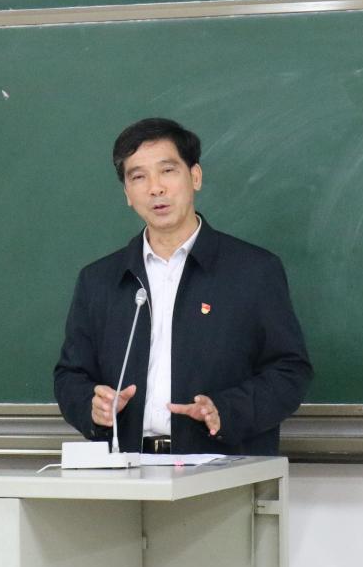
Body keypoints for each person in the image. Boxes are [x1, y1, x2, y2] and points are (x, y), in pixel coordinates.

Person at [54, 118, 312, 455]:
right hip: (126, 467)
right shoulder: (99, 280)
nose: (155, 188)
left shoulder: (253, 270)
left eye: (167, 171)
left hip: (222, 466)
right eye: (138, 177)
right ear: (127, 194)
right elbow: (70, 376)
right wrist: (92, 407)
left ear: (195, 177)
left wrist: (226, 410)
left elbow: (290, 371)